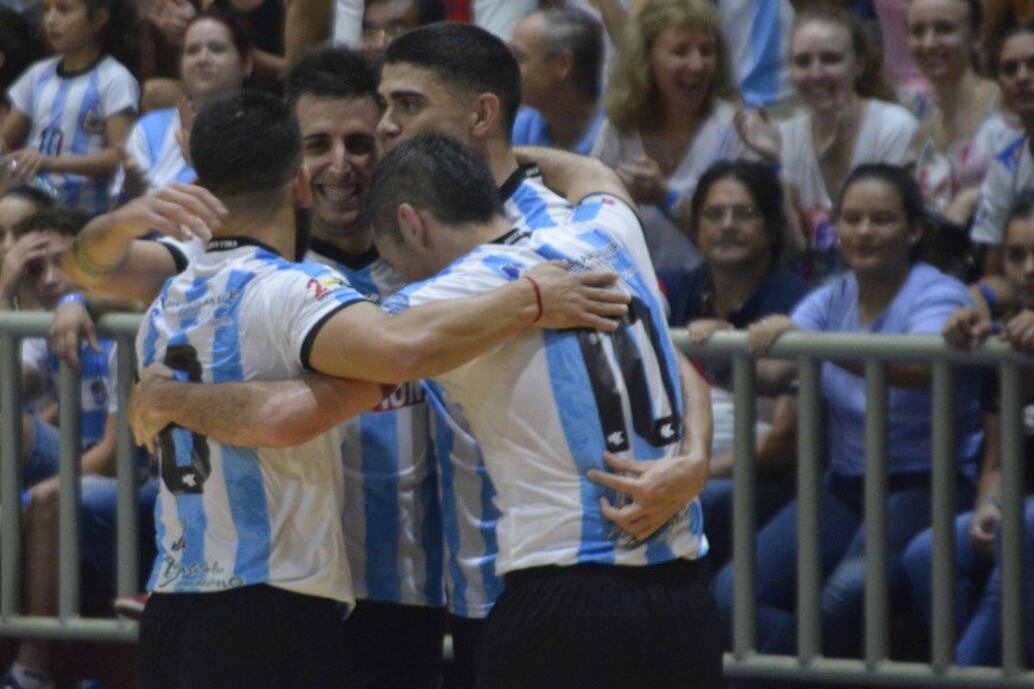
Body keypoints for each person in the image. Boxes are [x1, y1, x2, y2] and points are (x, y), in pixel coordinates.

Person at [94, 89, 627, 689]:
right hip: (271, 603)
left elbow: (86, 267)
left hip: (174, 603)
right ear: (299, 181)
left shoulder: (168, 296)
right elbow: (395, 352)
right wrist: (528, 299)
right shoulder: (293, 289)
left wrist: (171, 400)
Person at [367, 133, 719, 689]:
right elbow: (592, 173)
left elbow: (376, 343)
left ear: (412, 224)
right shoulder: (606, 231)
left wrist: (523, 303)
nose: (404, 274)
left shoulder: (452, 293)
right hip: (684, 591)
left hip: (566, 598)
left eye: (395, 261)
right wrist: (695, 459)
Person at [712, 164, 984, 661]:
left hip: (928, 483)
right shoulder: (833, 295)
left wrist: (819, 345)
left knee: (845, 595)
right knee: (732, 590)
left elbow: (915, 367)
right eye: (852, 219)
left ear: (914, 229)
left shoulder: (937, 291)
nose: (864, 232)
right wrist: (723, 348)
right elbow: (774, 372)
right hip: (846, 483)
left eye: (881, 220)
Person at [904, 190, 1034, 667]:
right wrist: (987, 505)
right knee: (927, 553)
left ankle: (964, 675)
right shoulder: (1002, 335)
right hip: (1022, 508)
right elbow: (997, 461)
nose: (1029, 270)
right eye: (1017, 256)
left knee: (1023, 531)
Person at [0, 207, 126, 689]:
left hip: (131, 465)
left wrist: (35, 493)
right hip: (80, 455)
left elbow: (117, 455)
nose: (50, 280)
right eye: (35, 269)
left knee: (47, 499)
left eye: (62, 263)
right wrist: (4, 288)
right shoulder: (42, 329)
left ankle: (32, 670)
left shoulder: (119, 320)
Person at [661, 160, 808, 566]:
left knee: (688, 507)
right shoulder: (673, 288)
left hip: (757, 479)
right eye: (714, 213)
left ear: (772, 228)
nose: (727, 224)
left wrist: (693, 473)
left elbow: (782, 445)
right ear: (695, 228)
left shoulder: (799, 303)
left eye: (745, 213)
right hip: (679, 468)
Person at [737, 6, 919, 282]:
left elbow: (895, 241)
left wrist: (839, 150)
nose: (816, 73)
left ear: (859, 64)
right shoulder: (784, 136)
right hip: (810, 293)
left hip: (883, 284)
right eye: (803, 62)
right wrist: (775, 166)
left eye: (830, 59)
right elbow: (794, 252)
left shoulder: (894, 127)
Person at [590, 0, 745, 272]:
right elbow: (589, 218)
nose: (697, 65)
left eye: (707, 51)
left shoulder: (734, 127)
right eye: (681, 51)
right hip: (634, 292)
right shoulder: (619, 127)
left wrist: (666, 199)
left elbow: (742, 243)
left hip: (712, 294)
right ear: (646, 58)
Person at [0, 0, 139, 216]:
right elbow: (5, 141)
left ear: (99, 19)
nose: (51, 20)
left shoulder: (115, 78)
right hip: (31, 207)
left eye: (63, 9)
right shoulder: (37, 74)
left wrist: (50, 163)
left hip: (84, 212)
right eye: (46, 10)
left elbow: (118, 156)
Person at [112, 9, 252, 203]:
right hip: (144, 233)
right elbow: (113, 222)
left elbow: (253, 215)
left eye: (217, 49)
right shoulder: (150, 128)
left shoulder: (259, 130)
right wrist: (129, 194)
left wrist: (198, 158)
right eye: (192, 50)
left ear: (246, 64)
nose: (202, 59)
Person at [909, 0, 1020, 222]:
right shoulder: (923, 132)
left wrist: (974, 197)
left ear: (977, 36)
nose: (928, 43)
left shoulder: (1008, 101)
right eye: (918, 31)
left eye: (944, 29)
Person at [970, 23, 1034, 276]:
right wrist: (981, 296)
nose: (1022, 77)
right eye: (1010, 70)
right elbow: (995, 274)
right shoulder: (1007, 163)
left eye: (1033, 64)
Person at [509, 6, 605, 155]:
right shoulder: (519, 130)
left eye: (519, 58)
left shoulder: (626, 133)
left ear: (563, 65)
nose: (507, 67)